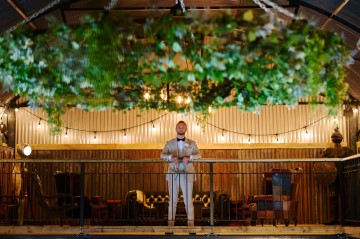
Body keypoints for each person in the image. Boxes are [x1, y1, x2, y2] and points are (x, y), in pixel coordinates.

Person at [160, 121, 201, 227]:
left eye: (183, 127)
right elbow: (162, 155)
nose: (181, 128)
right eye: (179, 127)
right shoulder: (169, 143)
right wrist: (170, 157)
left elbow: (198, 155)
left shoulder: (192, 142)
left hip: (187, 174)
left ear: (186, 129)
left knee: (188, 201)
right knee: (172, 201)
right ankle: (170, 226)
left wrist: (190, 157)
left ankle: (191, 226)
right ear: (176, 129)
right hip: (173, 175)